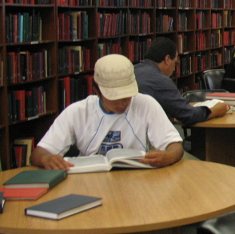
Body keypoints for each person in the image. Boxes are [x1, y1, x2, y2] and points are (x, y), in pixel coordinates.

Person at [31, 54, 184, 170]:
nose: (123, 102)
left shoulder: (146, 104)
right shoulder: (77, 112)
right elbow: (39, 153)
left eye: (127, 95)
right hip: (90, 181)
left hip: (137, 178)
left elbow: (175, 146)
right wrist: (47, 159)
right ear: (97, 91)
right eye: (115, 97)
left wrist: (170, 156)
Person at [134, 37, 229, 125]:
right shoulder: (161, 81)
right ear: (167, 59)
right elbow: (188, 115)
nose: (175, 69)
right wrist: (215, 110)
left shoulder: (132, 69)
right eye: (176, 63)